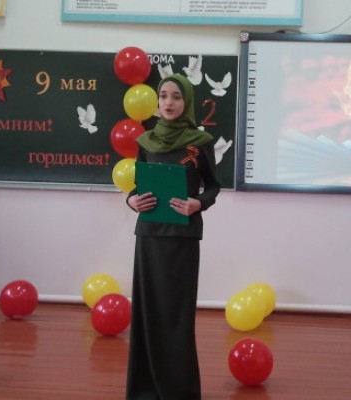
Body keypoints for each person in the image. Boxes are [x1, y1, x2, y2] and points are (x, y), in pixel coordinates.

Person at [124, 73, 221, 400]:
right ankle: (145, 391)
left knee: (176, 316)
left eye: (176, 96)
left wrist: (198, 203)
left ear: (186, 101)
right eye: (163, 95)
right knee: (147, 312)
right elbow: (137, 187)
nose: (168, 102)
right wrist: (130, 201)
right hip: (148, 236)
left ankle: (178, 392)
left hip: (182, 238)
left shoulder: (200, 142)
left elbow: (214, 186)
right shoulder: (145, 141)